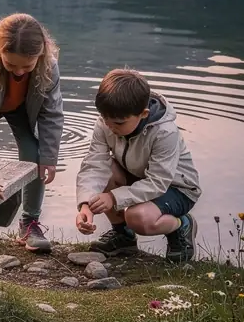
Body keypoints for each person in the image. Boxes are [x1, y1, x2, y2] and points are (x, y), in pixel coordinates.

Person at [0, 13, 65, 252]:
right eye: (11, 65)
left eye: (27, 66)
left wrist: (50, 157)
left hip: (23, 109)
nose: (18, 72)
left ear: (40, 54)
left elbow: (51, 114)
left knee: (35, 155)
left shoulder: (49, 66)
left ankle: (29, 223)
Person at [75, 68, 200, 263]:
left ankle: (181, 225)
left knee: (137, 217)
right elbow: (94, 164)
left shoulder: (165, 132)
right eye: (105, 119)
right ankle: (123, 236)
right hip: (138, 176)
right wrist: (85, 204)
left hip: (176, 188)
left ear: (143, 114)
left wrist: (113, 197)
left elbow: (158, 182)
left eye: (118, 123)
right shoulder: (108, 121)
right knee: (105, 173)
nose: (110, 127)